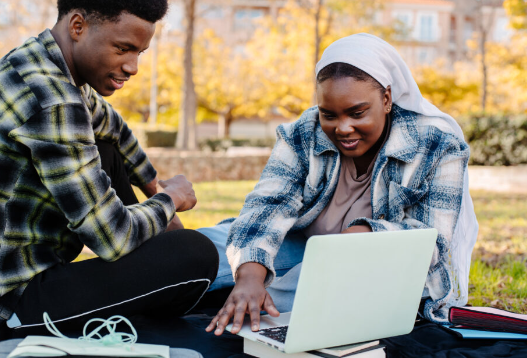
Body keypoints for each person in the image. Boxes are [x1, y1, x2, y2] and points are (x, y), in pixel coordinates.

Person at [0, 0, 218, 352]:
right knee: (196, 256)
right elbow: (111, 237)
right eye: (123, 48)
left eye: (140, 51)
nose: (133, 66)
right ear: (78, 26)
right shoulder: (52, 100)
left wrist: (153, 184)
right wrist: (171, 200)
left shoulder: (45, 63)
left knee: (106, 150)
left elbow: (114, 130)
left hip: (14, 277)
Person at [200, 33, 479, 336]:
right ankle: (229, 291)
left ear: (386, 99)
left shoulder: (438, 144)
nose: (343, 128)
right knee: (203, 247)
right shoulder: (303, 132)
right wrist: (250, 274)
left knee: (299, 290)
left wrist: (364, 236)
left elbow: (433, 243)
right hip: (301, 243)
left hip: (372, 268)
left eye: (357, 113)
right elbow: (269, 204)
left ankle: (225, 304)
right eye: (328, 114)